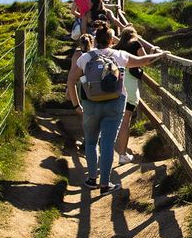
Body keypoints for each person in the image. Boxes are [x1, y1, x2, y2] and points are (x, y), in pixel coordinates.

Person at [66, 24, 168, 195]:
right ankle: (105, 184)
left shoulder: (85, 57)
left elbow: (70, 81)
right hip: (115, 103)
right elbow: (146, 61)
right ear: (112, 40)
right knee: (107, 142)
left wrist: (77, 105)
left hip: (90, 104)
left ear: (95, 40)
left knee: (91, 142)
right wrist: (162, 53)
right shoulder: (120, 55)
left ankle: (92, 179)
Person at [114, 26, 147, 164]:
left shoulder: (115, 48)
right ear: (134, 35)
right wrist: (158, 53)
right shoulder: (136, 43)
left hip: (115, 86)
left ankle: (103, 153)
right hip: (129, 87)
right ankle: (122, 155)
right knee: (125, 120)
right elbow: (145, 59)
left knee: (112, 119)